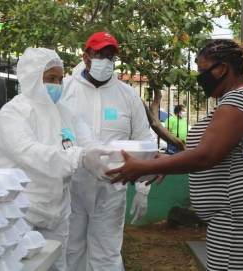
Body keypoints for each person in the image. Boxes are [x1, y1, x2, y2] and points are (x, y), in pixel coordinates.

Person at [107, 39, 243, 270]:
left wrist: (144, 168)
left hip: (237, 214)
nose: (200, 78)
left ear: (222, 68)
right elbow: (219, 152)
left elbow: (205, 156)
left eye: (202, 70)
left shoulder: (239, 99)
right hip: (238, 213)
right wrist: (167, 162)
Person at [0, 47, 113, 271]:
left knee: (56, 265)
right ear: (33, 78)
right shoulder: (14, 113)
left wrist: (104, 156)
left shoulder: (64, 111)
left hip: (56, 210)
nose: (56, 85)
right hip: (20, 210)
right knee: (19, 265)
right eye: (50, 78)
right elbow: (31, 153)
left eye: (59, 79)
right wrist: (80, 157)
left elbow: (86, 139)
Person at [61, 31, 155, 271]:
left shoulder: (128, 95)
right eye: (100, 54)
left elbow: (144, 140)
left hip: (112, 188)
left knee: (107, 254)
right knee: (69, 251)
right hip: (71, 186)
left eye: (111, 56)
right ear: (86, 56)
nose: (106, 60)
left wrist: (144, 188)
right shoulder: (64, 89)